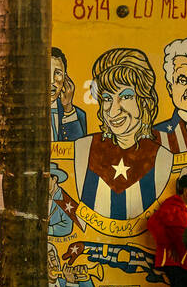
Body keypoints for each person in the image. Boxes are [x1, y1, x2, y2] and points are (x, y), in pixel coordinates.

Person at [73, 47, 173, 220]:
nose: (113, 111)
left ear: (144, 101)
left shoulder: (162, 156)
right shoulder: (84, 147)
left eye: (125, 96)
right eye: (107, 99)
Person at [49, 47, 87, 141]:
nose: (52, 81)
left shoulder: (77, 115)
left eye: (57, 73)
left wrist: (68, 109)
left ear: (65, 78)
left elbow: (80, 150)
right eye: (46, 72)